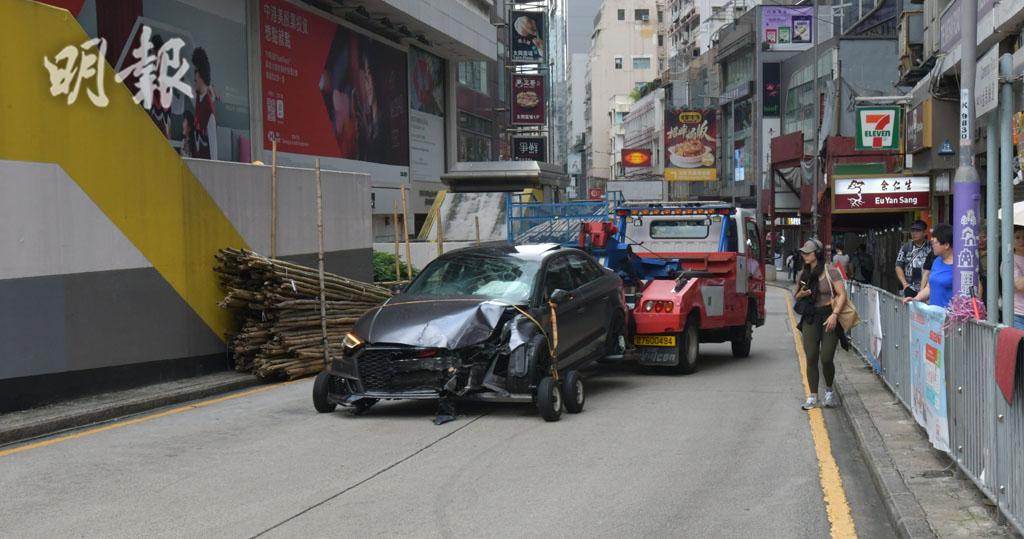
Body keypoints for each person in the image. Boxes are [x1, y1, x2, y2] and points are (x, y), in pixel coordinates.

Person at [794, 239, 848, 410]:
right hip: (811, 317)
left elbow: (841, 294)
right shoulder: (803, 273)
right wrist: (802, 294)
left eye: (808, 253)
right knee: (811, 356)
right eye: (803, 253)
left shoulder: (831, 271)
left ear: (817, 253)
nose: (804, 256)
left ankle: (829, 392)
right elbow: (796, 297)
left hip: (829, 316)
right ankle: (812, 396)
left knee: (826, 358)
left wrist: (835, 315)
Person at [904, 223, 954, 308]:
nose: (932, 245)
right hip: (934, 316)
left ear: (946, 245)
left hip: (950, 318)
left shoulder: (960, 266)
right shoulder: (936, 261)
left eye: (935, 242)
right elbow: (929, 288)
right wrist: (915, 299)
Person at [191, 47, 217, 160]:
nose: (194, 78)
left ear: (200, 74)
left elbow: (214, 154)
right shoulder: (198, 99)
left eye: (195, 72)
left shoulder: (209, 114)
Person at [896, 220, 931, 297]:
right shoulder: (906, 247)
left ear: (925, 232)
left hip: (928, 289)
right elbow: (898, 266)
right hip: (910, 288)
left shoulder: (931, 246)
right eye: (912, 230)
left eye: (918, 230)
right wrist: (904, 284)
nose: (914, 233)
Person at [1012, 227, 1024, 329]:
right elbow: (1020, 285)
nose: (1021, 241)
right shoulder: (1010, 261)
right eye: (1017, 237)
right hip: (1018, 314)